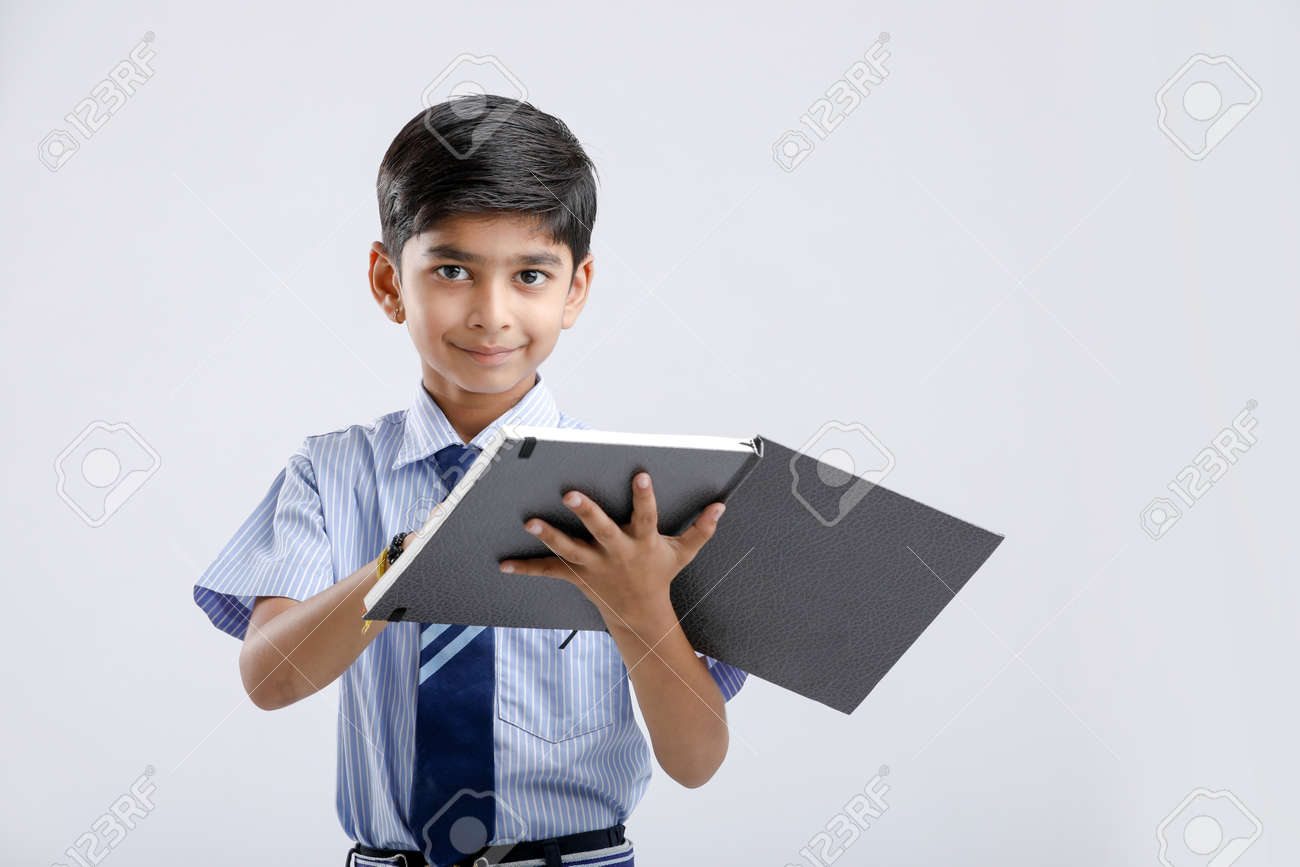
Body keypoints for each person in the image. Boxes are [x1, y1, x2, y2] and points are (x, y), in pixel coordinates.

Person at [192, 95, 748, 867]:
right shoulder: (329, 473)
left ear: (575, 288)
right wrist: (407, 561)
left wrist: (641, 604)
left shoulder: (640, 498)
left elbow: (696, 760)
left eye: (530, 275)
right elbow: (269, 678)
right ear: (388, 280)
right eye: (452, 270)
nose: (492, 313)